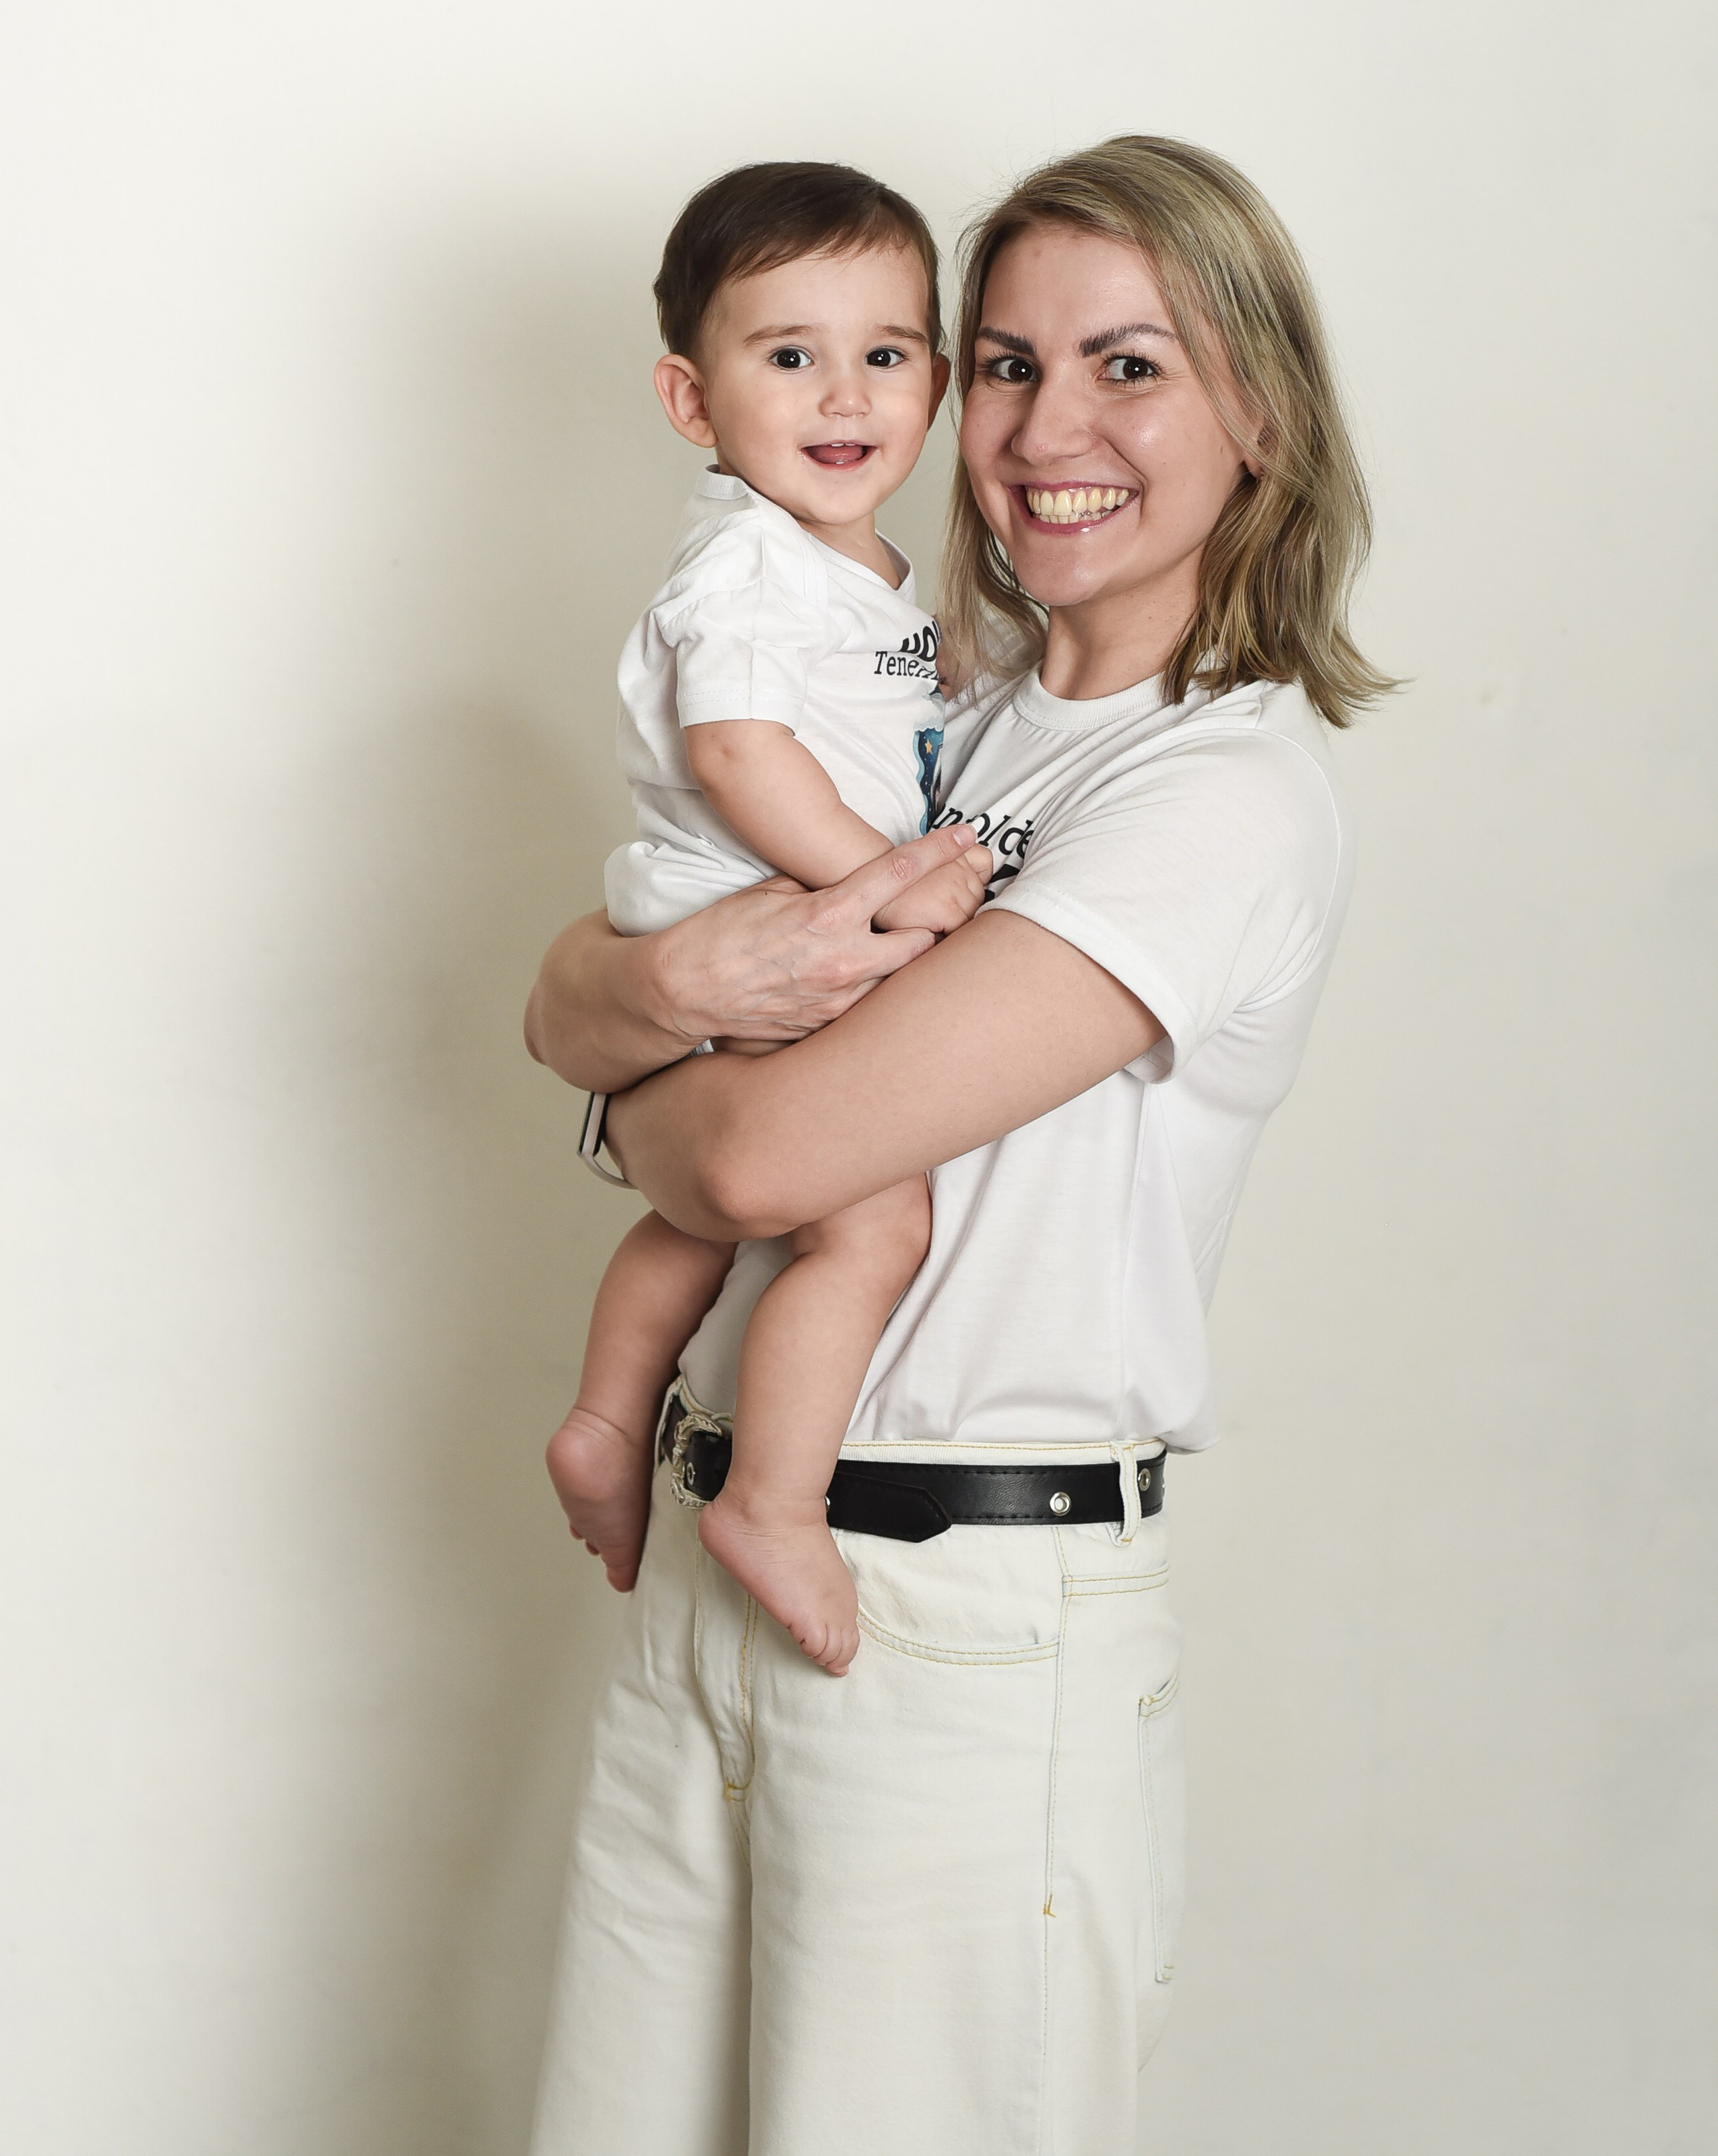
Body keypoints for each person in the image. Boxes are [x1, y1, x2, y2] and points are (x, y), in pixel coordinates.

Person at [528, 134, 1391, 2156]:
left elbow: (742, 1156)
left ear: (1256, 409)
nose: (1042, 429)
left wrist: (658, 1022)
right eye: (1002, 364)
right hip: (721, 1574)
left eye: (1129, 366)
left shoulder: (1215, 794)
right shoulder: (942, 725)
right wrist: (662, 1003)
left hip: (970, 1632)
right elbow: (566, 997)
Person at [546, 163, 987, 1678]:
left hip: (757, 904)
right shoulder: (745, 562)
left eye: (885, 351)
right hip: (755, 904)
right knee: (871, 1215)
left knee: (700, 1209)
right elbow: (736, 751)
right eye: (786, 354)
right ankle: (778, 1504)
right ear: (691, 398)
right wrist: (885, 877)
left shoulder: (851, 567)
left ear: (934, 374)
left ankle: (608, 1422)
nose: (842, 391)